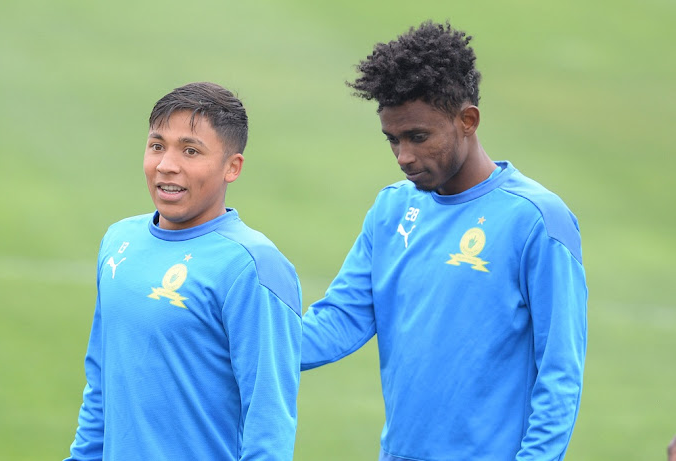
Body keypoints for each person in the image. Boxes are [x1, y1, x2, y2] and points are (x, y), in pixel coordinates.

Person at [301, 21, 588, 460]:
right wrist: (241, 344)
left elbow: (560, 372)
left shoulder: (536, 220)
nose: (404, 157)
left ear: (467, 120)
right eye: (392, 140)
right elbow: (341, 319)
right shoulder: (391, 209)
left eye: (418, 137)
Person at [65, 82, 302, 460]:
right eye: (157, 146)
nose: (166, 165)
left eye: (190, 151)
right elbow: (101, 384)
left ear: (232, 167)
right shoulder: (118, 240)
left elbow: (268, 422)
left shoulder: (252, 266)